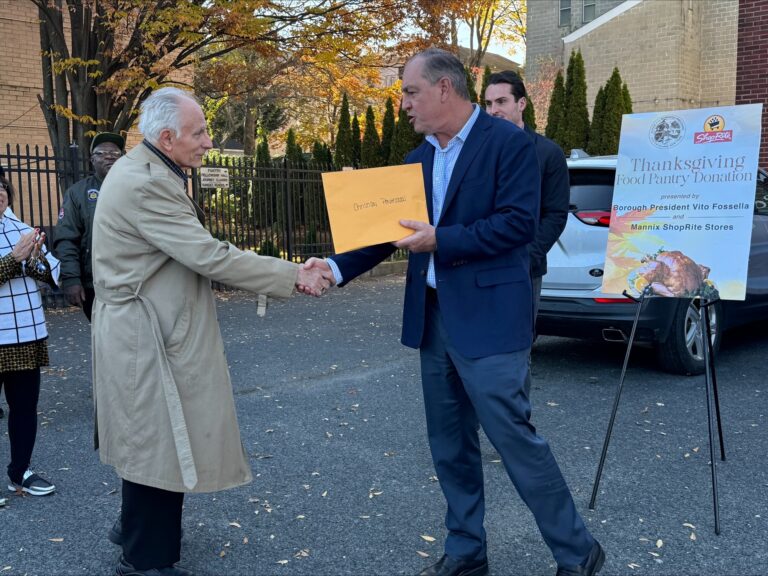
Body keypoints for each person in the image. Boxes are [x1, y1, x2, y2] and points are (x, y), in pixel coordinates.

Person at [304, 49, 605, 576]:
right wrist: (332, 266)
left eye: (410, 92)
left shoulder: (509, 144)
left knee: (514, 440)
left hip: (491, 318)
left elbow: (518, 223)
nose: (404, 104)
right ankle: (466, 552)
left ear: (444, 88)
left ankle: (578, 553)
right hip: (434, 319)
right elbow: (385, 233)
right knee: (449, 444)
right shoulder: (416, 159)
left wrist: (441, 239)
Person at [91, 87, 330, 576]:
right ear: (167, 137)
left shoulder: (149, 169)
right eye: (199, 132)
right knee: (158, 440)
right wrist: (292, 274)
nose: (208, 141)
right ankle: (144, 561)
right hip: (148, 335)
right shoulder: (147, 182)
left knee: (152, 436)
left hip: (148, 329)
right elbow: (208, 254)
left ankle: (134, 532)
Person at [484, 71, 569, 322]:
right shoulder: (477, 152)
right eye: (488, 103)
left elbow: (555, 214)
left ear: (521, 104)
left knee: (518, 340)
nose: (493, 111)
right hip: (479, 267)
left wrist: (526, 257)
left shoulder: (548, 153)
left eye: (501, 102)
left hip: (523, 270)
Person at [0, 171, 60, 499]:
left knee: (24, 407)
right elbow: (12, 266)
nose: (0, 192)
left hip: (24, 333)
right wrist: (14, 259)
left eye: (2, 187)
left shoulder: (23, 229)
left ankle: (20, 471)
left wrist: (37, 259)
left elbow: (52, 275)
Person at [53, 132, 125, 322]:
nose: (109, 157)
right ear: (92, 160)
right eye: (101, 153)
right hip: (95, 282)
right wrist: (71, 279)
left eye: (115, 153)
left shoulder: (136, 188)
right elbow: (66, 239)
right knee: (104, 332)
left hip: (133, 280)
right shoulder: (77, 193)